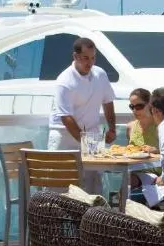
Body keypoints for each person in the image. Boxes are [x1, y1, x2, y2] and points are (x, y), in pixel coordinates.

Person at [48, 37, 116, 193]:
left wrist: (112, 128)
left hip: (91, 135)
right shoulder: (64, 81)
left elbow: (108, 102)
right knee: (60, 190)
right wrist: (87, 143)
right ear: (75, 56)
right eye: (86, 58)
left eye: (93, 58)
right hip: (64, 137)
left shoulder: (100, 74)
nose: (90, 62)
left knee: (94, 187)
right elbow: (66, 118)